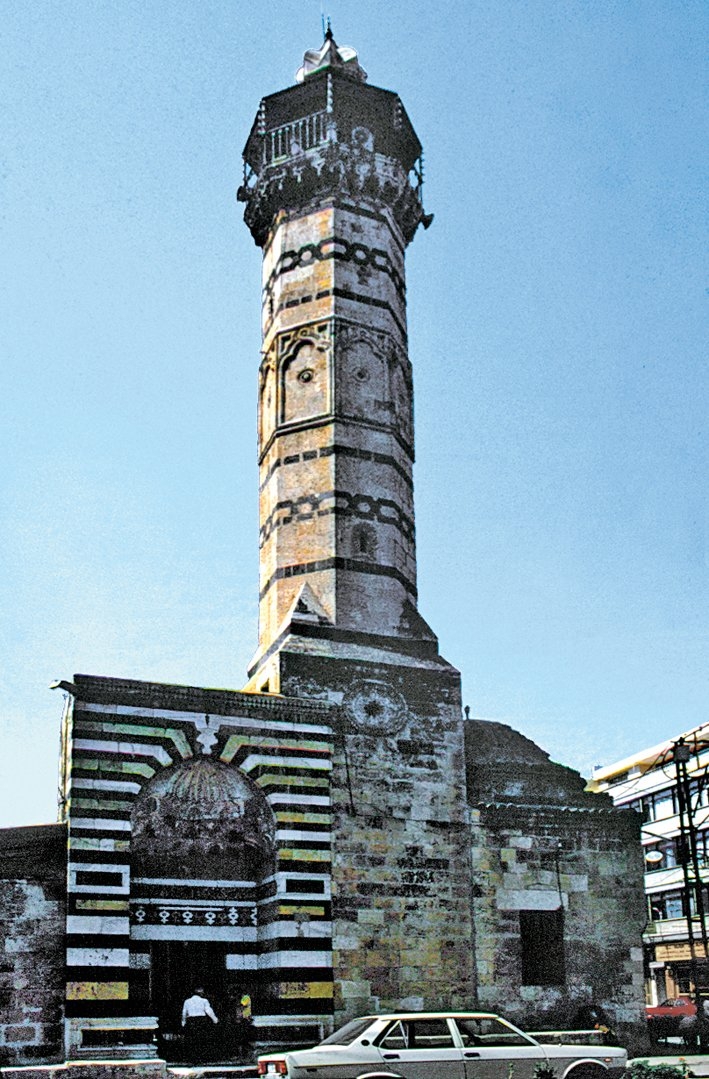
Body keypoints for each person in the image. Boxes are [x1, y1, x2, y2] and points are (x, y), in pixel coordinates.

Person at [181, 987, 218, 1063]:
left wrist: (183, 1022)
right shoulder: (204, 1001)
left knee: (191, 1040)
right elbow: (208, 1011)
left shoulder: (187, 1001)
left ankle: (192, 1058)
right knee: (201, 1039)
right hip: (201, 1021)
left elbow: (184, 1012)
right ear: (201, 994)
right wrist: (215, 1020)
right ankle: (201, 1058)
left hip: (191, 1020)